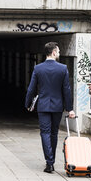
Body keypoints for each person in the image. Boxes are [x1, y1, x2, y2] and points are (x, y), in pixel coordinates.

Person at [25, 42, 75, 173]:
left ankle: (49, 162)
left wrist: (27, 103)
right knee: (54, 133)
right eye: (58, 52)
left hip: (43, 106)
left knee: (45, 133)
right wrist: (70, 109)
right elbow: (66, 90)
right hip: (58, 106)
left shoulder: (38, 68)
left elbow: (31, 89)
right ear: (53, 52)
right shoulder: (63, 68)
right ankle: (51, 159)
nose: (59, 54)